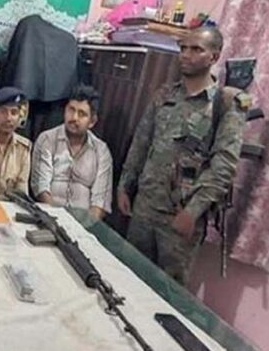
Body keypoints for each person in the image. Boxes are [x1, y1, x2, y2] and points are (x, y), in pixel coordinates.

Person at [117, 27, 249, 285]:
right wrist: (125, 184)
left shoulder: (225, 104)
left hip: (180, 215)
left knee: (168, 289)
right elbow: (141, 143)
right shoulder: (165, 95)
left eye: (196, 49)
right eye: (183, 48)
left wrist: (193, 211)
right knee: (128, 276)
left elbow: (224, 166)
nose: (186, 55)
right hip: (144, 206)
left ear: (214, 56)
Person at [31, 85, 112, 220]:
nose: (74, 117)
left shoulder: (101, 151)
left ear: (92, 121)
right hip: (49, 217)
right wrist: (59, 221)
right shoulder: (47, 139)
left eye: (82, 114)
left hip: (85, 222)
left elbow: (100, 201)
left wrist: (85, 226)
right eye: (71, 110)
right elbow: (41, 188)